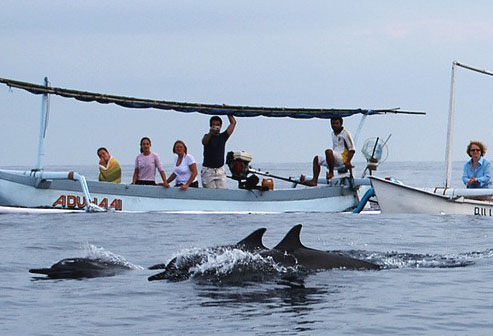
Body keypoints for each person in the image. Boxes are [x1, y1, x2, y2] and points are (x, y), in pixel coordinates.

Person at [301, 116, 355, 186]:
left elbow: (352, 149)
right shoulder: (333, 134)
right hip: (334, 157)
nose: (334, 125)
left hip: (342, 158)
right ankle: (314, 181)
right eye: (332, 124)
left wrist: (348, 161)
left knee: (328, 151)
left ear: (341, 124)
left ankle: (331, 173)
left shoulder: (346, 133)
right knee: (317, 159)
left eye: (336, 123)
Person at [201, 115, 236, 188]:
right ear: (210, 126)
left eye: (217, 125)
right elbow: (204, 142)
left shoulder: (223, 136)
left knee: (222, 192)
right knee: (210, 193)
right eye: (213, 125)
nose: (216, 127)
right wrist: (211, 132)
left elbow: (233, 123)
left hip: (220, 169)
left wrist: (228, 113)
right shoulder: (207, 136)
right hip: (208, 170)